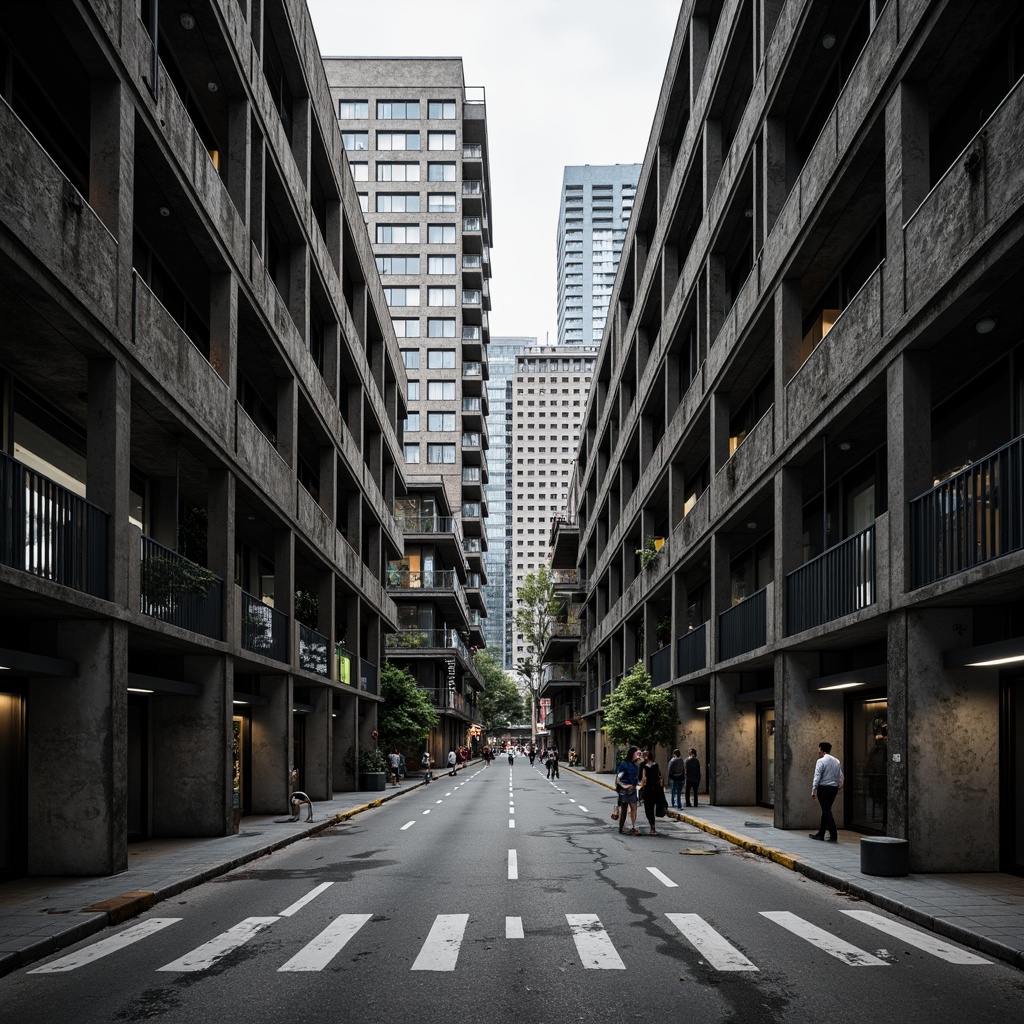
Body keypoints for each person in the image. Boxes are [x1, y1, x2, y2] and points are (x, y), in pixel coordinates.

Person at [810, 741, 844, 842]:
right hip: (833, 789)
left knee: (826, 811)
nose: (818, 751)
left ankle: (834, 835)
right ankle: (821, 834)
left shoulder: (821, 761)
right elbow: (841, 776)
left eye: (818, 749)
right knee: (826, 810)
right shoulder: (836, 761)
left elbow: (817, 776)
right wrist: (839, 786)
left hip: (824, 788)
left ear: (821, 749)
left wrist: (814, 790)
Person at [615, 746, 641, 835]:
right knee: (624, 809)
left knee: (634, 808)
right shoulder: (624, 764)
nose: (638, 756)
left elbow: (636, 778)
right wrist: (624, 786)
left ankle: (633, 826)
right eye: (637, 754)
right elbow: (618, 778)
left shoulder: (636, 766)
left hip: (632, 789)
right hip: (624, 790)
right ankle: (621, 827)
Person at [639, 750, 666, 835]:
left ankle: (652, 826)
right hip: (657, 789)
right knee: (655, 806)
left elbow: (642, 778)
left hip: (648, 790)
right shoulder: (656, 765)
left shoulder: (643, 766)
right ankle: (653, 826)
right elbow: (660, 777)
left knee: (648, 809)